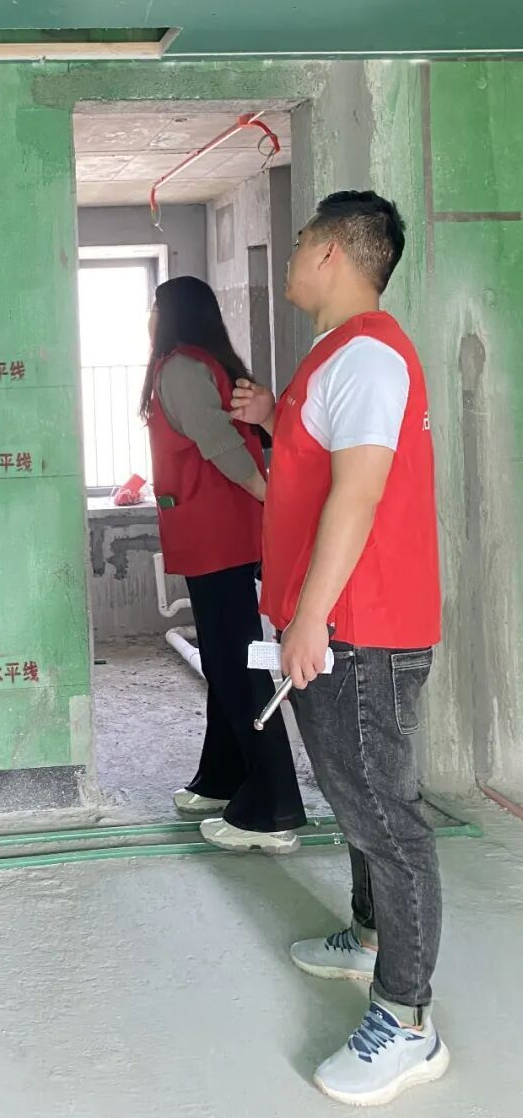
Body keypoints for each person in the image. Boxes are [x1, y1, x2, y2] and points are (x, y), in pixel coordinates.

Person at [233, 191, 447, 1106]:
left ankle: (407, 1018)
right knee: (360, 803)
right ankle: (369, 937)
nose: (289, 258)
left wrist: (311, 616)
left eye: (298, 243)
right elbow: (316, 462)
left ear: (330, 252)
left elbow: (356, 494)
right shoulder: (338, 354)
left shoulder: (367, 354)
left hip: (361, 629)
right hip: (341, 625)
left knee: (388, 821)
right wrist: (268, 412)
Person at [142, 276, 306, 854]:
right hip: (216, 532)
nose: (149, 318)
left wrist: (271, 496)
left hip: (220, 536)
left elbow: (221, 445)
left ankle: (272, 807)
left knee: (236, 662)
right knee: (222, 656)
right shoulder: (201, 363)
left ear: (172, 314)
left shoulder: (182, 369)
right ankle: (222, 776)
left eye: (154, 308)